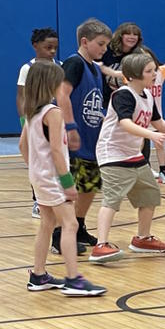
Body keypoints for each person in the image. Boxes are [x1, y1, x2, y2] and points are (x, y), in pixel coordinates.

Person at [89, 53, 165, 263]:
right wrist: (150, 134)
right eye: (150, 71)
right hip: (113, 154)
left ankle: (142, 238)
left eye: (155, 69)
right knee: (112, 200)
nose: (155, 74)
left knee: (150, 194)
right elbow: (125, 123)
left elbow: (159, 123)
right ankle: (100, 245)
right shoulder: (123, 95)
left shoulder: (148, 96)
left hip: (133, 154)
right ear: (134, 75)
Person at [20, 61, 106, 296]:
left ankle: (38, 275)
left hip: (39, 178)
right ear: (51, 84)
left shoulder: (31, 112)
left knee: (47, 224)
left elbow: (22, 145)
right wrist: (67, 183)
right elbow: (57, 151)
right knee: (70, 224)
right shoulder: (53, 112)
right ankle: (73, 279)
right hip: (55, 179)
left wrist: (36, 170)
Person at [52, 18, 112, 254]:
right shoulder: (74, 63)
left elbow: (98, 101)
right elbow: (62, 94)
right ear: (85, 42)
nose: (104, 49)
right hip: (74, 137)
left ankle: (78, 227)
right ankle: (59, 235)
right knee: (71, 189)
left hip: (92, 138)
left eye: (106, 45)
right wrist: (70, 127)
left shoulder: (95, 69)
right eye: (101, 44)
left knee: (90, 187)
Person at [16, 27, 60, 219]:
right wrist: (24, 121)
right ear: (35, 46)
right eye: (48, 47)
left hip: (54, 118)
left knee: (56, 158)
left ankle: (56, 195)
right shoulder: (28, 68)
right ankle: (38, 200)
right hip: (36, 119)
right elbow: (21, 96)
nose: (52, 51)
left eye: (55, 48)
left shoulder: (60, 65)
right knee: (38, 160)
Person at [139, 46, 165, 184]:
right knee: (140, 145)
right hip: (141, 117)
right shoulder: (138, 76)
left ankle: (163, 171)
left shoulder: (160, 72)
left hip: (156, 117)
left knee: (160, 144)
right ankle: (142, 169)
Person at [101, 22, 143, 107]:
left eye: (135, 34)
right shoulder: (107, 49)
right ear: (120, 36)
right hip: (104, 96)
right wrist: (114, 74)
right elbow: (97, 65)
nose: (132, 37)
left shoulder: (139, 54)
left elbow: (156, 68)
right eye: (128, 34)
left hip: (126, 97)